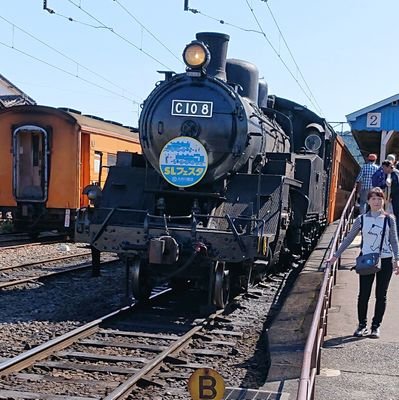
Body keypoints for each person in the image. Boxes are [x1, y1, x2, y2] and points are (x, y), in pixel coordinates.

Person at [326, 188, 399, 338]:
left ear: (383, 201)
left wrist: (397, 259)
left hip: (385, 260)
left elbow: (394, 241)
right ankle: (361, 325)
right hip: (366, 260)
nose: (377, 202)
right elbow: (348, 239)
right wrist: (335, 256)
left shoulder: (389, 219)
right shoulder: (362, 219)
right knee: (363, 294)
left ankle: (375, 326)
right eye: (373, 199)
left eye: (379, 199)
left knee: (381, 295)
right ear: (368, 201)